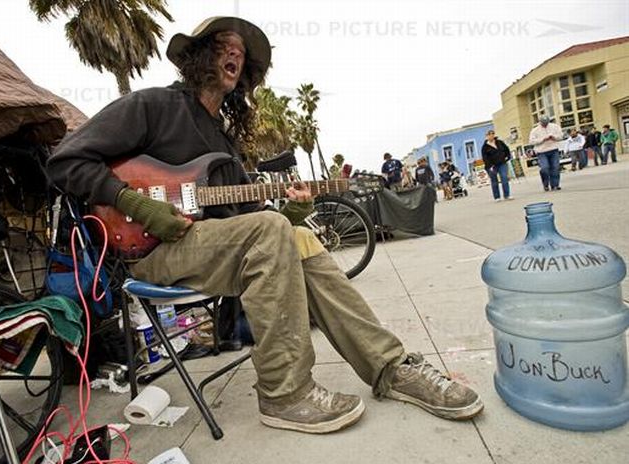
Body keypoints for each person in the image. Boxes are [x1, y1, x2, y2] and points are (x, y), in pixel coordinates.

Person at [46, 17, 483, 435]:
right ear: (200, 57)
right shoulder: (152, 105)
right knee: (271, 230)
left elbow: (249, 216)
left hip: (215, 249)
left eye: (241, 53)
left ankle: (390, 367)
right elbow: (65, 161)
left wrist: (292, 210)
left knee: (299, 235)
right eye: (224, 47)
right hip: (150, 251)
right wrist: (137, 205)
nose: (234, 55)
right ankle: (283, 393)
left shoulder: (223, 141)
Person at [528, 115, 564, 191]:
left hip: (554, 149)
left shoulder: (555, 127)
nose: (545, 124)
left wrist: (554, 137)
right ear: (540, 122)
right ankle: (545, 184)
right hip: (542, 152)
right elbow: (531, 141)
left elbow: (561, 136)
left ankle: (555, 185)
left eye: (546, 123)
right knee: (545, 168)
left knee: (555, 167)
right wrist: (542, 139)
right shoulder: (535, 130)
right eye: (543, 123)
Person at [480, 129, 513, 201]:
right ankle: (497, 197)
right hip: (491, 166)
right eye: (489, 134)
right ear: (486, 136)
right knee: (494, 180)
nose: (491, 136)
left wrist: (508, 156)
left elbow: (506, 149)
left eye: (492, 134)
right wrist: (490, 166)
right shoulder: (485, 147)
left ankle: (507, 195)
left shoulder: (499, 142)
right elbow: (485, 158)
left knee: (504, 178)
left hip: (502, 163)